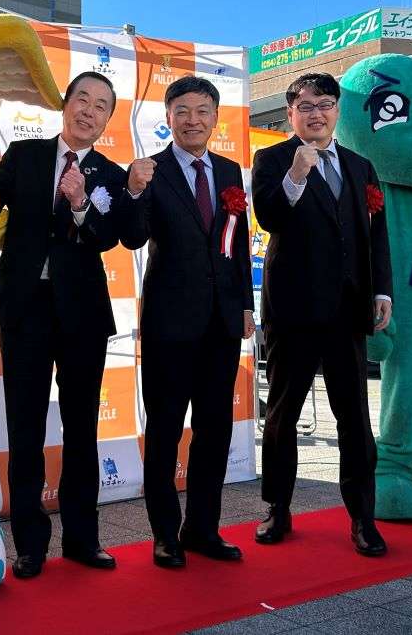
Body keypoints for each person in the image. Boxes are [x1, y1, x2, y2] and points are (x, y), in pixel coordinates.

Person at [0, 71, 137, 578]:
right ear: (65, 103)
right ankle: (29, 545)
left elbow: (108, 238)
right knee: (24, 428)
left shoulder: (111, 174)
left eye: (101, 106)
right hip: (24, 310)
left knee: (81, 429)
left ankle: (82, 540)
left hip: (83, 316)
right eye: (82, 99)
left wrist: (79, 204)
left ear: (108, 119)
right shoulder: (24, 155)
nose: (89, 111)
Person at [251, 72, 393, 556]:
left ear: (337, 110)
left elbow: (375, 234)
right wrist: (295, 175)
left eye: (325, 104)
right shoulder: (272, 159)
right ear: (290, 114)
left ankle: (363, 518)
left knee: (354, 416)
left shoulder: (360, 166)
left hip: (348, 309)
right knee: (282, 415)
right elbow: (269, 217)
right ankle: (277, 509)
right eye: (306, 106)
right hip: (293, 310)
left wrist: (382, 291)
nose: (316, 113)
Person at [123, 76, 255, 569]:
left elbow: (236, 241)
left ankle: (202, 529)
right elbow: (133, 238)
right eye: (182, 111)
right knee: (163, 431)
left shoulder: (229, 171)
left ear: (216, 118)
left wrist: (245, 304)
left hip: (222, 323)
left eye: (202, 111)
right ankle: (165, 535)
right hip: (169, 323)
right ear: (168, 117)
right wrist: (134, 192)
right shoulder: (148, 170)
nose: (192, 120)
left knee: (215, 430)